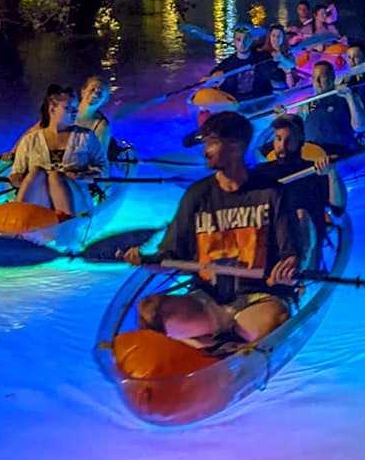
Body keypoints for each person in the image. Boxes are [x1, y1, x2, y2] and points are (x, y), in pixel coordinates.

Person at [121, 112, 303, 347]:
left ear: (237, 147)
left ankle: (240, 365)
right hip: (206, 300)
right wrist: (148, 260)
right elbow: (173, 254)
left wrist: (289, 266)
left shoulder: (272, 193)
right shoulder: (196, 195)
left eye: (213, 143)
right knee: (148, 309)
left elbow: (290, 252)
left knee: (276, 319)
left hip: (258, 299)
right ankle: (161, 364)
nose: (205, 150)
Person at [253, 114, 347, 268]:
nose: (282, 146)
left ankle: (296, 271)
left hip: (303, 234)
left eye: (288, 139)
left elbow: (337, 208)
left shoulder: (315, 170)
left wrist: (332, 174)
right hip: (271, 232)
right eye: (278, 139)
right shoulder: (261, 172)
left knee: (300, 215)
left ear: (301, 140)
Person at [8, 84, 107, 216]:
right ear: (52, 110)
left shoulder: (87, 137)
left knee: (56, 176)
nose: (75, 112)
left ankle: (66, 222)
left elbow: (104, 170)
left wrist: (81, 175)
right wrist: (17, 180)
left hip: (75, 201)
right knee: (37, 172)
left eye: (75, 107)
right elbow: (16, 173)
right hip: (40, 202)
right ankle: (18, 218)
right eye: (68, 108)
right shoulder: (30, 140)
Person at [285, 61, 365, 155]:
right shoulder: (308, 103)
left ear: (332, 78)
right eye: (314, 77)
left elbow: (361, 126)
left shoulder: (346, 96)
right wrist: (282, 116)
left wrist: (350, 97)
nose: (317, 82)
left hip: (339, 151)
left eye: (322, 77)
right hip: (312, 154)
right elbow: (295, 128)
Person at [208, 25, 278, 101]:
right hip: (236, 105)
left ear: (251, 40)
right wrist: (214, 78)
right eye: (238, 39)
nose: (242, 43)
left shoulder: (264, 58)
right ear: (234, 41)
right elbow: (207, 81)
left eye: (246, 39)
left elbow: (284, 68)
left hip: (261, 103)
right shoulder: (227, 64)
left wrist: (282, 59)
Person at [77, 75, 115, 157]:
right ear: (83, 92)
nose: (94, 95)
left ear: (105, 100)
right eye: (92, 89)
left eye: (100, 93)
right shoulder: (64, 112)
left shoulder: (101, 126)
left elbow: (100, 159)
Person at [262, 24, 300, 89]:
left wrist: (281, 59)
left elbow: (292, 65)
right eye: (273, 35)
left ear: (283, 38)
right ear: (269, 37)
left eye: (279, 36)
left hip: (281, 89)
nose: (276, 39)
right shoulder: (263, 54)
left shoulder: (287, 55)